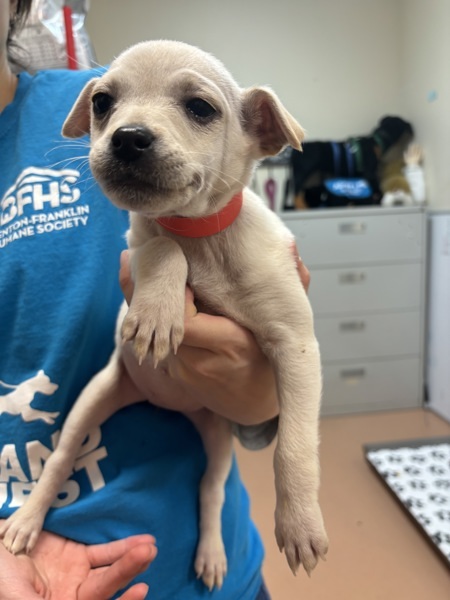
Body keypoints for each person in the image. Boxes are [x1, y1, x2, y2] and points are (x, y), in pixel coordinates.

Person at [0, 1, 310, 598]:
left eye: (196, 108)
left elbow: (275, 360)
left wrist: (260, 395)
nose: (125, 126)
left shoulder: (113, 84)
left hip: (203, 569)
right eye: (105, 109)